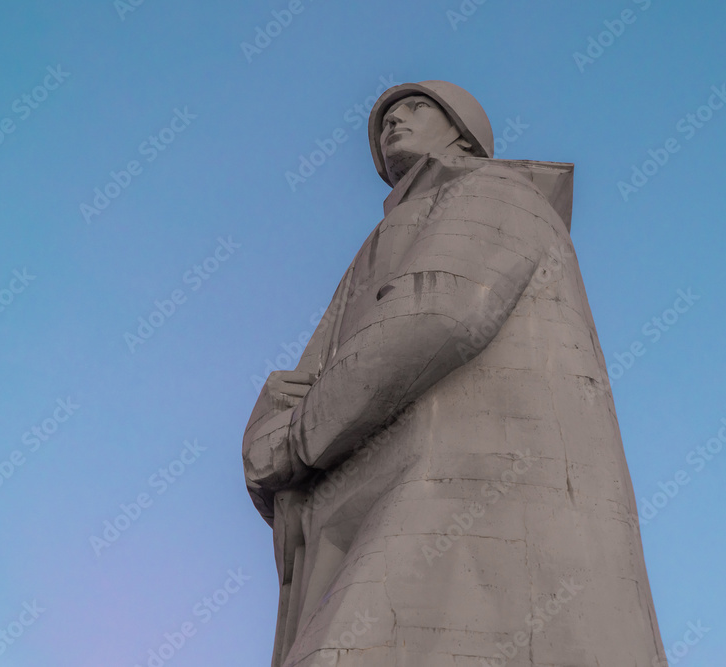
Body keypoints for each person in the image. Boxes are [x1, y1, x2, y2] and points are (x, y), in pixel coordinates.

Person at [243, 80, 667, 666]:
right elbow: (319, 369)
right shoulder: (391, 232)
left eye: (416, 108)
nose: (394, 122)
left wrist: (293, 437)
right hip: (377, 494)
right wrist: (274, 421)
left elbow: (437, 315)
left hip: (458, 489)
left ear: (462, 132)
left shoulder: (494, 191)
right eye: (386, 117)